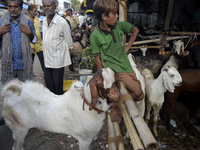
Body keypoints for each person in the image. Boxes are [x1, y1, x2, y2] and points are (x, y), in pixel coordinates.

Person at [90, 0, 144, 122]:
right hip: (116, 70)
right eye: (114, 13)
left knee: (141, 95)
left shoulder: (119, 26)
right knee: (138, 91)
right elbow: (98, 60)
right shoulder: (95, 36)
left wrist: (127, 47)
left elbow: (135, 30)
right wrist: (104, 80)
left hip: (127, 66)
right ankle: (115, 108)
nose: (117, 16)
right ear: (104, 16)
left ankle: (116, 105)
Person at [0, 0, 37, 125]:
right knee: (9, 93)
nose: (12, 9)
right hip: (8, 65)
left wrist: (30, 33)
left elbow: (35, 39)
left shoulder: (27, 21)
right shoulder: (2, 21)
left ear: (21, 7)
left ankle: (27, 118)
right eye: (10, 7)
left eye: (15, 6)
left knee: (25, 93)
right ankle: (10, 117)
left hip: (23, 65)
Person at [42, 0, 73, 95]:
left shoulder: (62, 22)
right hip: (47, 60)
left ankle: (59, 108)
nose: (46, 8)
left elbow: (69, 43)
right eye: (44, 6)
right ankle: (51, 107)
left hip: (58, 62)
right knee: (49, 87)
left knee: (58, 88)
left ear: (55, 7)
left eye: (49, 6)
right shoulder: (43, 20)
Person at [28, 4, 45, 72]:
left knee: (43, 63)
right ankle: (29, 76)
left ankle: (47, 76)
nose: (36, 13)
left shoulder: (37, 19)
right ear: (30, 11)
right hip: (30, 45)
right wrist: (31, 45)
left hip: (39, 45)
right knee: (30, 64)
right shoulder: (26, 20)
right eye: (35, 11)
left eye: (36, 11)